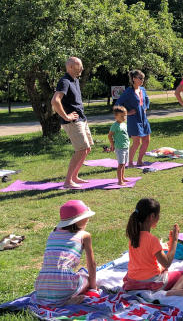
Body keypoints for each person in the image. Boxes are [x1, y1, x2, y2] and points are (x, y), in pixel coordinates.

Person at [123, 198, 183, 296]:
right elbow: (167, 263)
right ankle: (173, 291)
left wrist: (168, 244)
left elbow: (145, 261)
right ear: (152, 216)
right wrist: (174, 241)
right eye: (158, 215)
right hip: (151, 283)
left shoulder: (133, 236)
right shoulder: (152, 240)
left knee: (162, 269)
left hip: (133, 283)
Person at [34, 200, 97, 306]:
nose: (88, 219)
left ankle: (57, 299)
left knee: (63, 278)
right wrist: (93, 287)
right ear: (78, 220)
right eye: (86, 217)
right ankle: (66, 300)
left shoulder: (52, 234)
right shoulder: (84, 235)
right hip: (65, 286)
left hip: (42, 286)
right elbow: (92, 264)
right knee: (85, 277)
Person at [51, 57, 92, 189]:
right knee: (80, 150)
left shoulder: (75, 80)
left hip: (81, 119)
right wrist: (66, 116)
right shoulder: (64, 81)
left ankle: (74, 177)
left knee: (86, 149)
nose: (82, 68)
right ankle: (68, 181)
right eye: (79, 66)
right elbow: (55, 101)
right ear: (70, 67)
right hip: (73, 122)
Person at [116, 70, 151, 167]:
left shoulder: (142, 90)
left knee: (147, 140)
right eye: (140, 78)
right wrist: (127, 112)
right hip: (133, 120)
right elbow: (118, 104)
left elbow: (147, 100)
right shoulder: (128, 92)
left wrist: (145, 108)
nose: (142, 80)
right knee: (136, 142)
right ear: (134, 79)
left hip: (143, 119)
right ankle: (130, 162)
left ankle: (139, 161)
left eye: (143, 78)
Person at [108, 105, 130, 185]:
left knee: (124, 164)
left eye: (125, 116)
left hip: (126, 146)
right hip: (119, 148)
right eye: (122, 116)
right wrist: (112, 144)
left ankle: (123, 178)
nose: (124, 118)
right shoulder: (115, 126)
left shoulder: (123, 124)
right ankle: (119, 181)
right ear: (116, 116)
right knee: (120, 164)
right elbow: (110, 135)